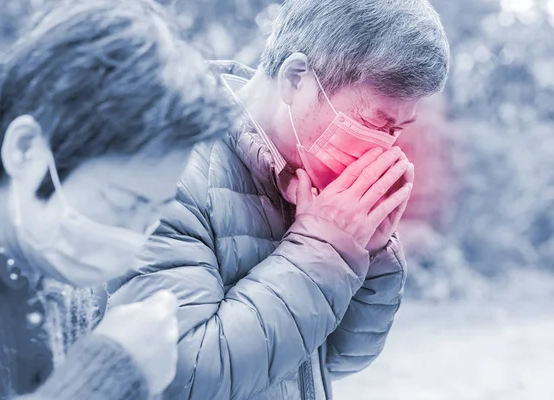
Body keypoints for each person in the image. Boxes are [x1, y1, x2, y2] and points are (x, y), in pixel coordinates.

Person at [108, 0, 450, 399]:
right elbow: (183, 376)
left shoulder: (316, 175)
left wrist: (366, 256)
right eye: (375, 123)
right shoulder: (172, 166)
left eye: (397, 130)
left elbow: (340, 360)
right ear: (295, 78)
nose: (384, 148)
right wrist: (323, 249)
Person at [0, 0, 233, 399]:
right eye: (123, 204)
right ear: (26, 149)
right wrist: (110, 372)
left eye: (153, 212)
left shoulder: (53, 269)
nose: (132, 240)